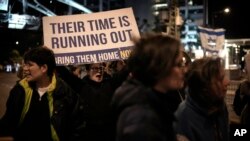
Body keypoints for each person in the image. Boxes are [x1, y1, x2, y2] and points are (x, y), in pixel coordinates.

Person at [112, 33, 186, 141]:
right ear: (160, 67)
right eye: (179, 64)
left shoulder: (152, 104)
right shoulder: (141, 120)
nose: (185, 70)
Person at [0, 47, 83, 141]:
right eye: (25, 65)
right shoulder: (19, 90)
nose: (25, 69)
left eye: (30, 65)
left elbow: (76, 129)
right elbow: (8, 122)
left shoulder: (66, 93)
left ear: (44, 68)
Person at [174, 57, 230, 141]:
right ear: (205, 87)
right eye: (220, 79)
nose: (227, 82)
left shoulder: (219, 104)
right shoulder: (183, 118)